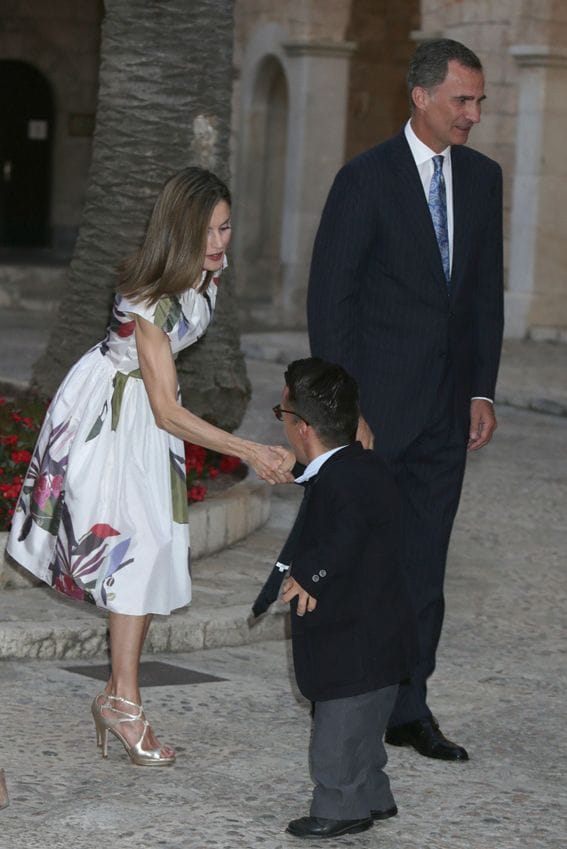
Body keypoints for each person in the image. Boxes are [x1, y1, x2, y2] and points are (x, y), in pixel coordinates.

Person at [7, 166, 293, 767]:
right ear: (179, 233)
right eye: (209, 232)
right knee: (132, 556)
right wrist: (252, 450)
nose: (220, 243)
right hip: (110, 420)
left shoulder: (201, 279)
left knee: (149, 550)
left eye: (226, 227)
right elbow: (165, 409)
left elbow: (163, 401)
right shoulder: (149, 299)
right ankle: (126, 702)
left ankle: (119, 695)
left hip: (143, 416)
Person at [307, 39, 504, 761]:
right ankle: (340, 704)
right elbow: (332, 302)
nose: (473, 115)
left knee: (423, 563)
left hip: (447, 415)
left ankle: (407, 705)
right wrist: (340, 410)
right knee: (357, 560)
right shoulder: (364, 180)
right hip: (372, 415)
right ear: (419, 96)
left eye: (479, 101)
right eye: (461, 99)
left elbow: (482, 296)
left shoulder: (483, 180)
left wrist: (481, 388)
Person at [264, 357, 417, 839]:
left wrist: (311, 573)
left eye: (281, 416)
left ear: (302, 427)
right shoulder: (361, 466)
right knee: (365, 733)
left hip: (353, 641)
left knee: (337, 735)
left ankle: (339, 805)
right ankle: (372, 793)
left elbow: (346, 533)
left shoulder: (345, 479)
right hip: (378, 639)